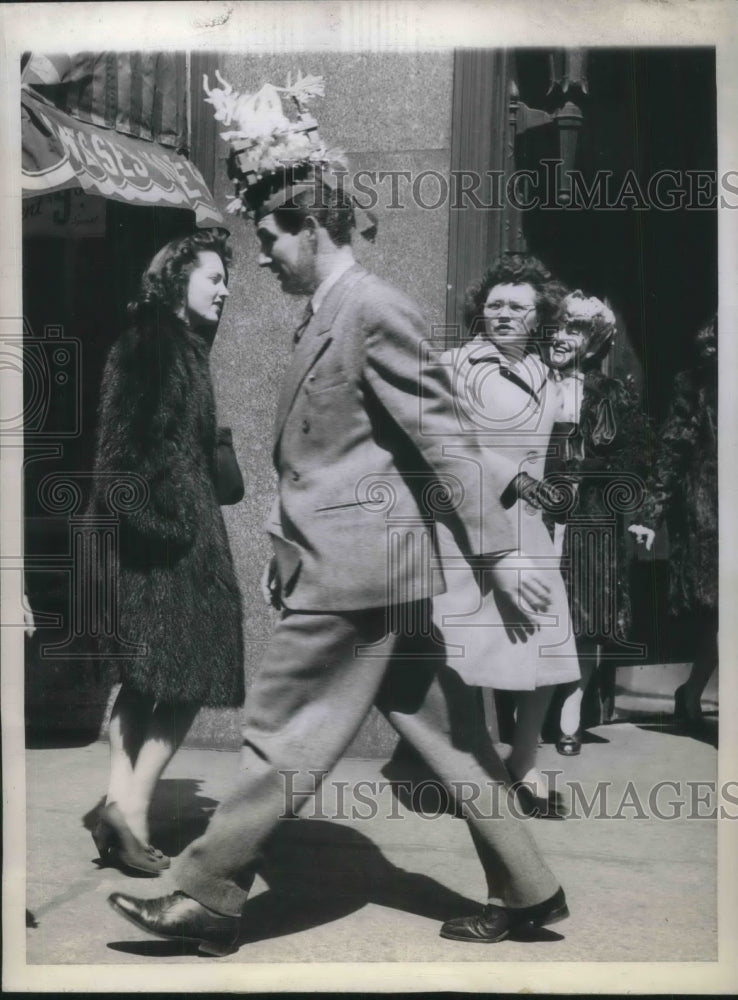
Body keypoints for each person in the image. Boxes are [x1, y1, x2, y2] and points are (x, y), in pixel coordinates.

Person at [106, 74, 570, 950]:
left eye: (271, 239)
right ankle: (529, 886)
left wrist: (502, 557)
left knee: (281, 730)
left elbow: (450, 440)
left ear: (311, 229)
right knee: (449, 734)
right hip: (370, 567)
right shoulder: (328, 312)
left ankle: (205, 892)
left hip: (355, 573)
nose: (264, 259)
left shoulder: (373, 309)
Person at [88, 229, 245, 876]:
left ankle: (120, 810)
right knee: (184, 682)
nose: (225, 289)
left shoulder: (179, 346)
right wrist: (169, 526)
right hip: (166, 553)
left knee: (154, 681)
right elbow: (116, 460)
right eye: (213, 278)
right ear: (177, 278)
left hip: (176, 546)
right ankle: (133, 810)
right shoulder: (150, 344)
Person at [430, 254, 580, 814]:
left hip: (532, 526)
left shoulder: (546, 373)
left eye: (518, 306)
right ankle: (466, 770)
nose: (504, 314)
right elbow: (446, 446)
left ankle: (522, 762)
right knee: (468, 650)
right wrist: (512, 476)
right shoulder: (454, 366)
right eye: (494, 304)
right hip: (472, 527)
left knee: (544, 645)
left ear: (539, 316)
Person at [543, 291, 655, 756]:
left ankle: (569, 717)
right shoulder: (525, 383)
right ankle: (523, 717)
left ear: (594, 343)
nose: (564, 336)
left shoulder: (610, 395)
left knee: (586, 619)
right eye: (561, 325)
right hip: (535, 512)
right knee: (535, 611)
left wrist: (634, 508)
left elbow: (637, 454)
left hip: (591, 518)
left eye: (577, 330)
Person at [632, 317, 718, 726]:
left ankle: (692, 691)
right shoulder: (696, 385)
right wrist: (651, 514)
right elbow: (671, 450)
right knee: (723, 613)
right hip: (715, 511)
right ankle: (693, 692)